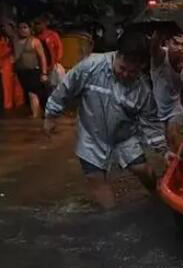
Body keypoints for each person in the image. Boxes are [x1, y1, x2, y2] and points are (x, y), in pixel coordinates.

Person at [43, 31, 170, 210]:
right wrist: (50, 116)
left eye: (132, 72)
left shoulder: (142, 89)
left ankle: (157, 197)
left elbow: (151, 124)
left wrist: (164, 151)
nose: (125, 74)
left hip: (124, 135)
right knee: (97, 184)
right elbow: (65, 89)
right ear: (117, 55)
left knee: (143, 171)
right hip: (91, 134)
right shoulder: (91, 66)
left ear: (141, 67)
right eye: (122, 68)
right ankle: (111, 216)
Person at [150, 30, 183, 152]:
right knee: (163, 145)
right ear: (167, 43)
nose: (179, 48)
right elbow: (154, 46)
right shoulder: (161, 56)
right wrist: (159, 30)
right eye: (175, 43)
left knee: (173, 135)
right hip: (156, 107)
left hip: (174, 106)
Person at [13, 20, 48, 118]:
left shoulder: (35, 41)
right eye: (20, 28)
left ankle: (37, 114)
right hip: (21, 71)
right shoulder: (15, 41)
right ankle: (36, 113)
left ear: (29, 29)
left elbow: (42, 57)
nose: (23, 30)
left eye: (25, 27)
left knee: (35, 92)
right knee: (29, 93)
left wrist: (44, 73)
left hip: (33, 70)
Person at [34, 14, 65, 87]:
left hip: (53, 66)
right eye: (35, 24)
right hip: (39, 67)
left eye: (38, 24)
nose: (36, 26)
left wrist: (56, 62)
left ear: (44, 24)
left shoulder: (53, 35)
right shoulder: (34, 37)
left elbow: (59, 48)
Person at [0, 21, 23, 110]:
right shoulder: (4, 39)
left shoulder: (15, 39)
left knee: (16, 84)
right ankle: (9, 104)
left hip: (13, 64)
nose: (6, 29)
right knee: (8, 85)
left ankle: (16, 103)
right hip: (6, 64)